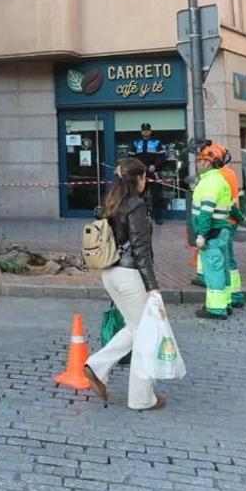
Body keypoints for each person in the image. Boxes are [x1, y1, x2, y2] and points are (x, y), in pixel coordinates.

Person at [81, 158, 165, 412]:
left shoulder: (111, 202)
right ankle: (141, 398)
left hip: (110, 273)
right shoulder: (135, 206)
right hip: (130, 275)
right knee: (146, 335)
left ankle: (96, 366)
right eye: (143, 178)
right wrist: (152, 285)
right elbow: (140, 250)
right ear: (137, 179)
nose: (145, 182)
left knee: (134, 327)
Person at [191, 143, 237, 320]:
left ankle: (216, 309)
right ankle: (225, 302)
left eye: (199, 160)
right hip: (222, 230)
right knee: (223, 267)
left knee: (213, 270)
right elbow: (231, 206)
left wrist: (202, 235)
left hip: (211, 233)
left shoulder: (209, 183)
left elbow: (206, 212)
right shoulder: (221, 180)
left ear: (207, 163)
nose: (197, 164)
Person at [216, 146, 246, 309]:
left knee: (227, 259)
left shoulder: (222, 175)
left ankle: (233, 295)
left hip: (226, 221)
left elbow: (225, 201)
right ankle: (234, 294)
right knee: (228, 259)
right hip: (229, 220)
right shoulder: (227, 172)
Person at [131, 123, 166, 225]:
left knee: (156, 196)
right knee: (138, 196)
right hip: (140, 174)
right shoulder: (136, 143)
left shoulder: (157, 142)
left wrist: (155, 166)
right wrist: (137, 167)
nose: (146, 132)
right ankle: (138, 217)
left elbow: (163, 157)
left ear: (150, 131)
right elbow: (130, 157)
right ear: (141, 132)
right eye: (144, 130)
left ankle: (157, 218)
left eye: (147, 130)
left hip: (153, 173)